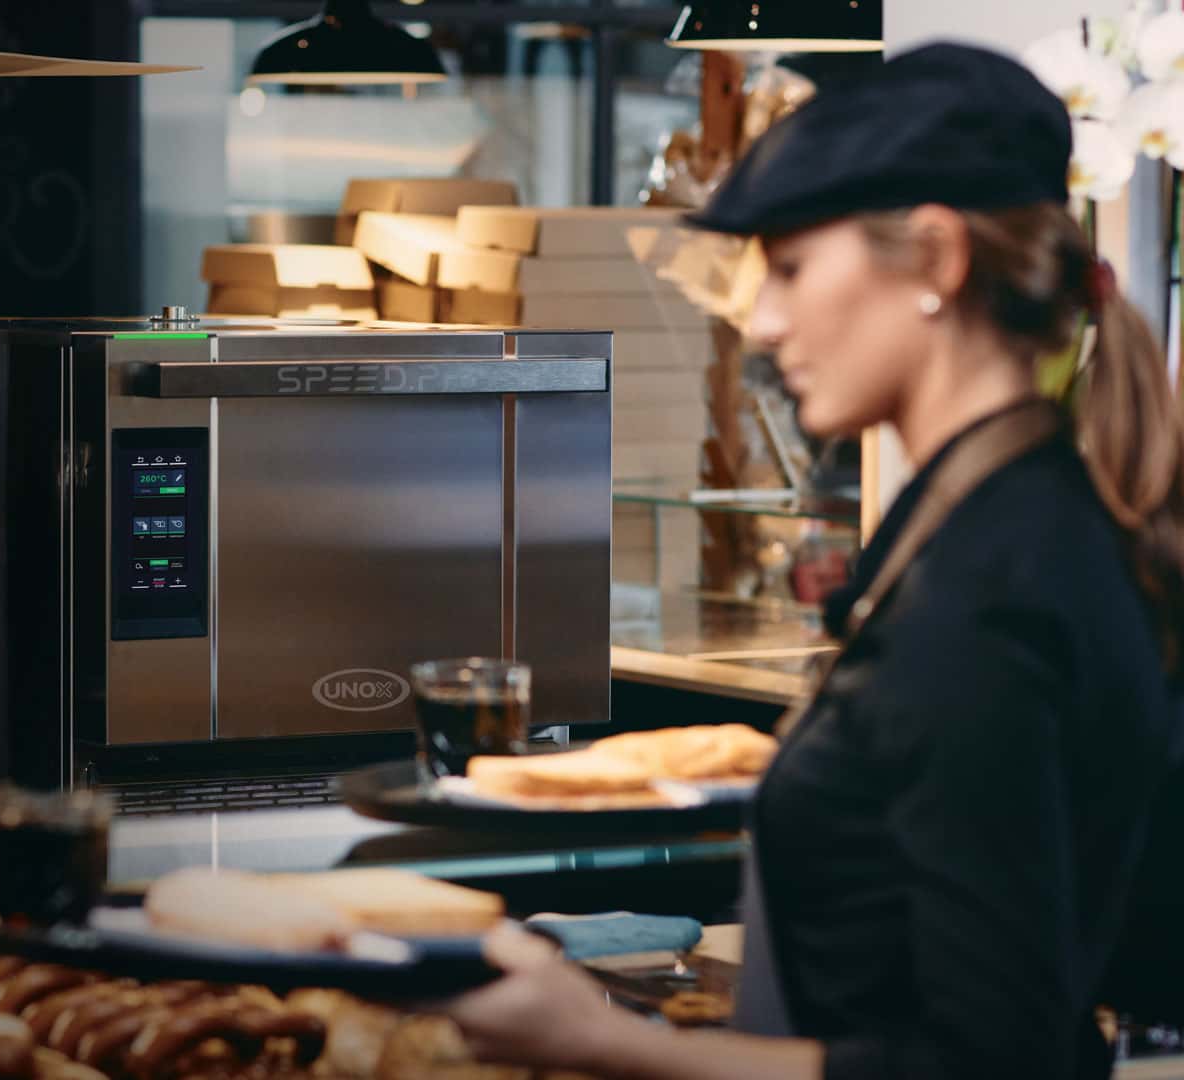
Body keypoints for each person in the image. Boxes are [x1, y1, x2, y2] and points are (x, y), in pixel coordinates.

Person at [443, 42, 1184, 1080]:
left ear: (934, 259)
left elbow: (984, 1061)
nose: (764, 321)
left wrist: (599, 1041)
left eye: (790, 268)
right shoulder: (1004, 527)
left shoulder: (983, 600)